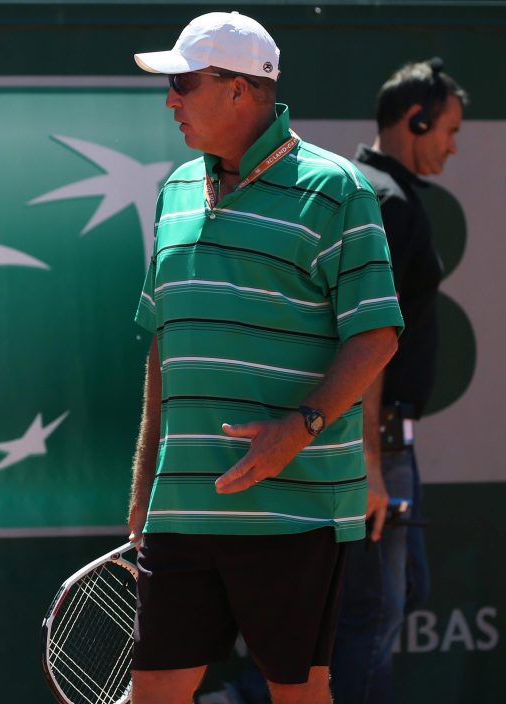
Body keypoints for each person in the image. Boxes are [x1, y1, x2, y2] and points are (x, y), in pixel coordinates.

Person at [127, 12, 404, 704]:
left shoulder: (338, 191)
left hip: (297, 508)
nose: (171, 101)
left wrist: (300, 427)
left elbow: (376, 335)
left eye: (184, 84)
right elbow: (164, 343)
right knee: (156, 689)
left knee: (299, 691)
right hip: (183, 509)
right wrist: (143, 489)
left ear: (239, 91)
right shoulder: (175, 192)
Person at [331, 59, 467, 704]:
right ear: (415, 121)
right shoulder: (384, 201)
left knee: (401, 593)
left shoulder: (383, 194)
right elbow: (362, 336)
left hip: (386, 442)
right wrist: (369, 461)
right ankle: (246, 697)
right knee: (372, 615)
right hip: (374, 443)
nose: (452, 144)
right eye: (447, 128)